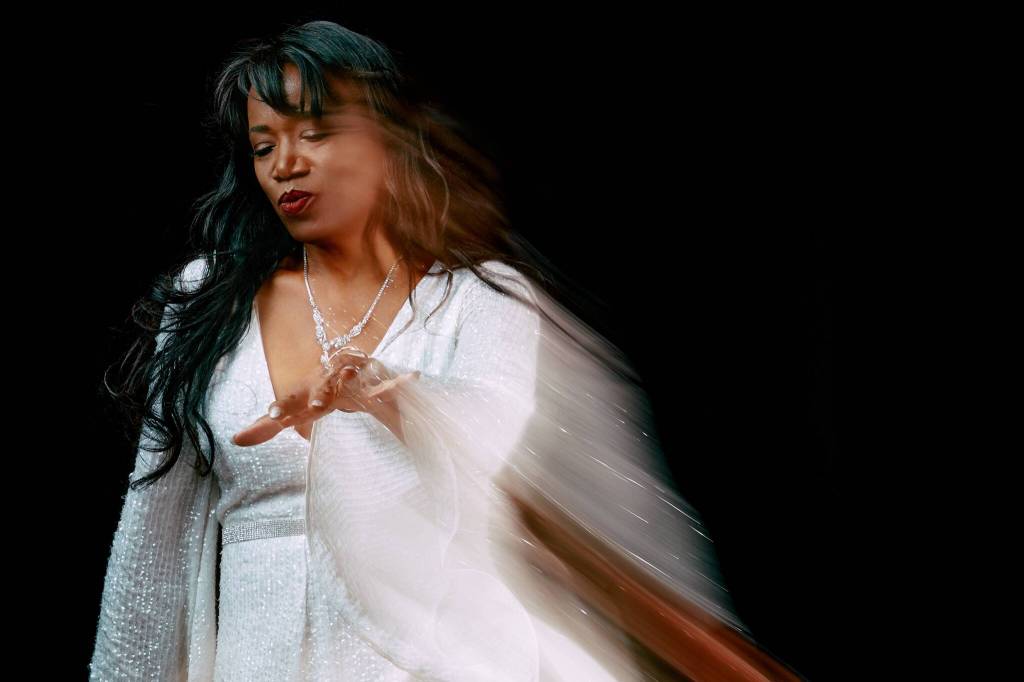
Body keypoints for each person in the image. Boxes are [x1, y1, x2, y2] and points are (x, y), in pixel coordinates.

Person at [89, 20, 805, 682]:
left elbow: (493, 454)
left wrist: (390, 395)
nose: (286, 164)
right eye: (264, 145)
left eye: (315, 132)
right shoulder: (209, 300)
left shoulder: (483, 301)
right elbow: (150, 546)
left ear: (384, 136)